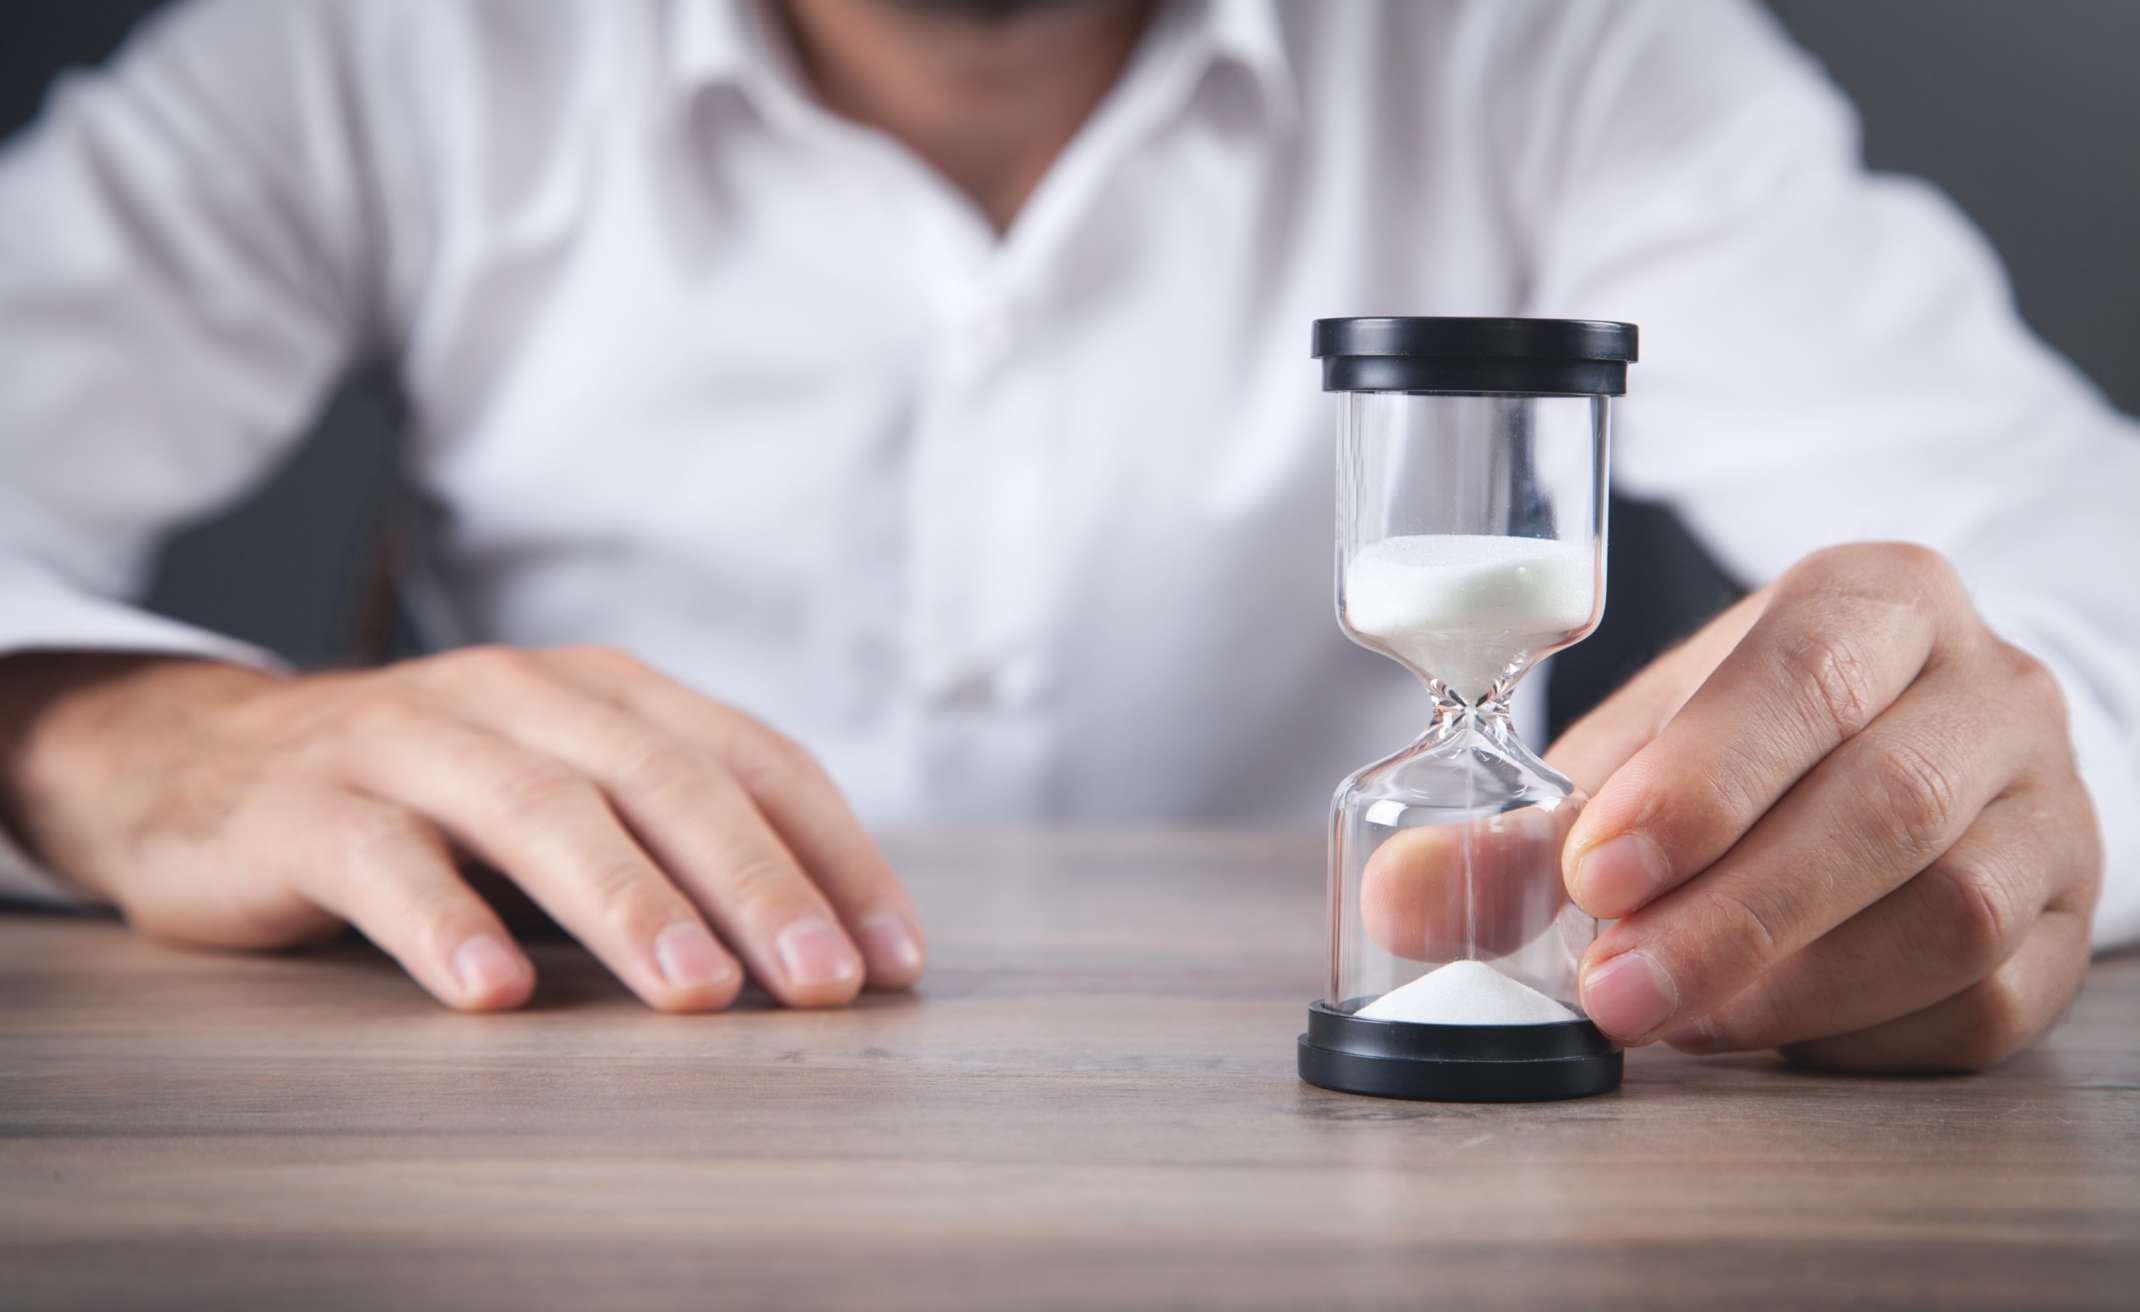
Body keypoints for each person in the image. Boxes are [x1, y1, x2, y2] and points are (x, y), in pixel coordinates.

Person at [0, 0, 2133, 1073]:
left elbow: (2076, 556)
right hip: (621, 1141)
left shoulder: (1555, 42)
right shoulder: (371, 46)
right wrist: (98, 725)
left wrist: (1986, 766)